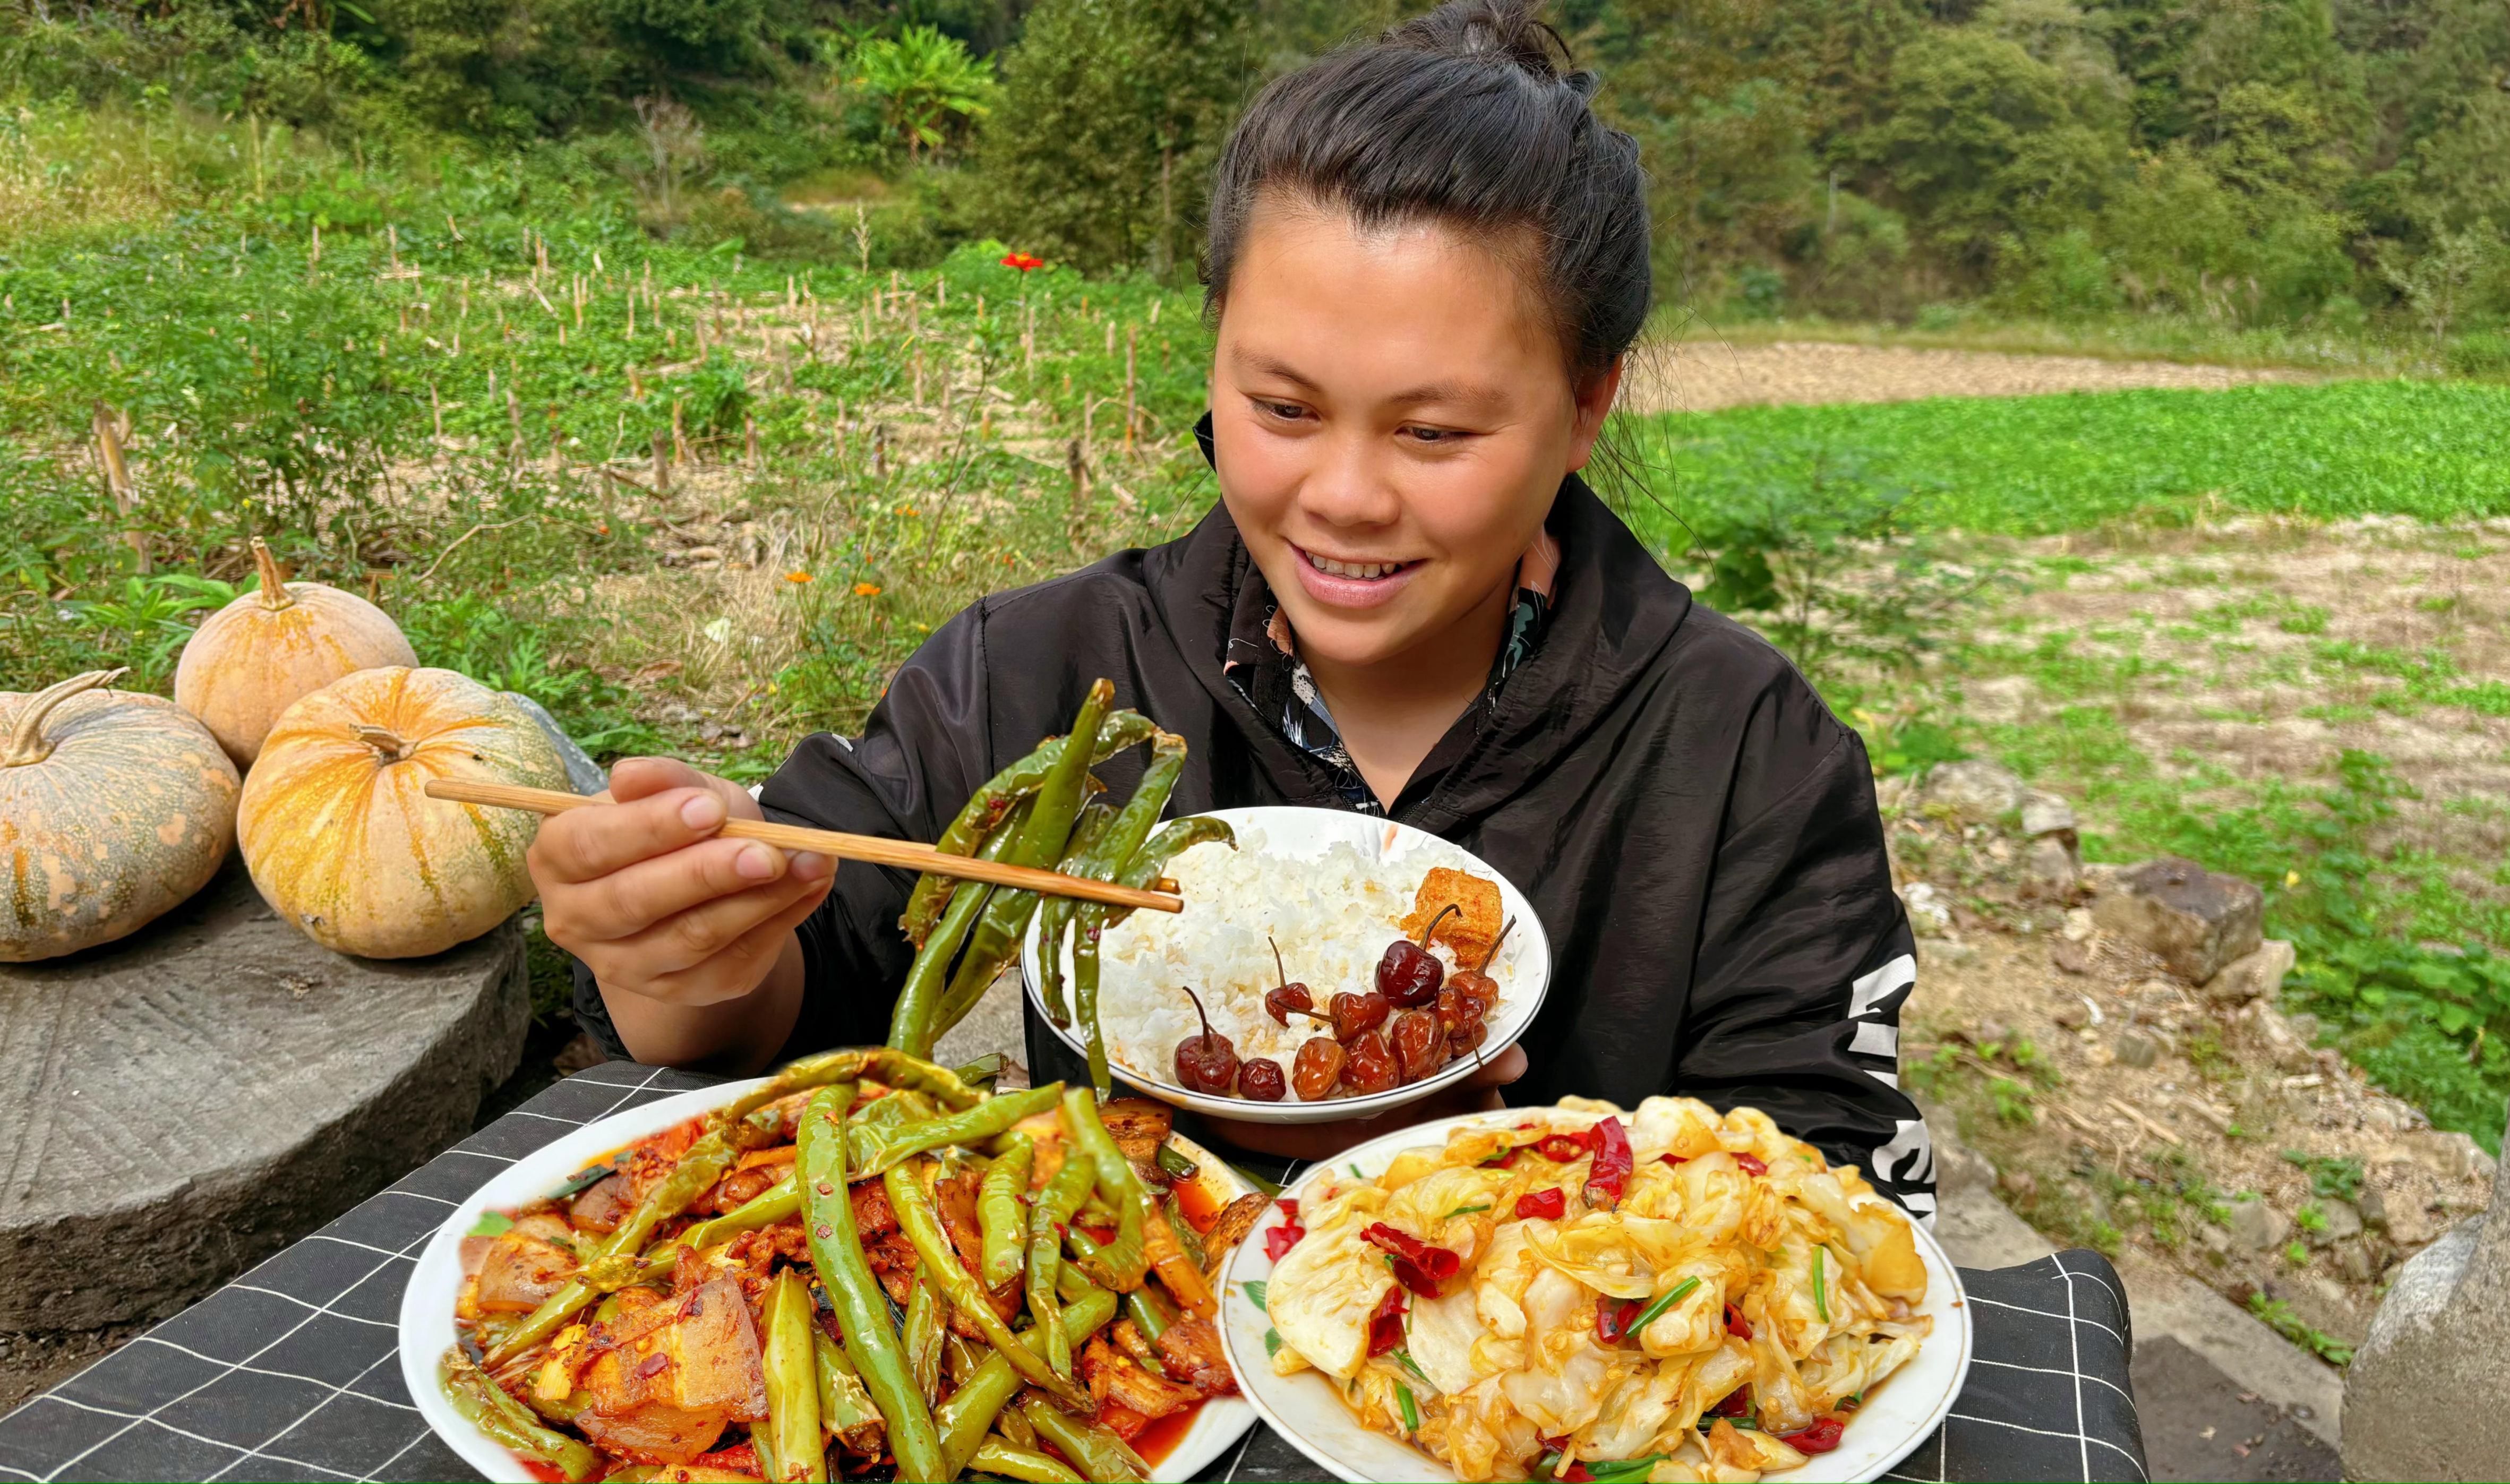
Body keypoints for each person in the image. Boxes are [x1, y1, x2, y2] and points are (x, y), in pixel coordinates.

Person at [534, 0, 1935, 1212]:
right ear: (1211, 355)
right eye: (1282, 406)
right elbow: (813, 985)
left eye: (1434, 433)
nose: (1340, 495)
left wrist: (1463, 1180)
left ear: (1585, 406)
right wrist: (690, 962)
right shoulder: (1040, 676)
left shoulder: (1752, 756)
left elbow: (1827, 1196)